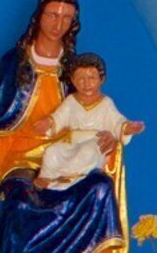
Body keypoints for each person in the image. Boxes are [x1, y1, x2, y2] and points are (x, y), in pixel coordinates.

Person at [0, 0, 137, 253]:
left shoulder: (76, 71)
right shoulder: (14, 64)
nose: (58, 24)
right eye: (52, 15)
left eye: (66, 17)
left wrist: (110, 139)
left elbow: (98, 117)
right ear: (39, 15)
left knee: (100, 189)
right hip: (20, 161)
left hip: (70, 161)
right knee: (20, 203)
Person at [35, 51, 141, 191]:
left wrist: (127, 128)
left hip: (95, 142)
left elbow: (117, 122)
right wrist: (48, 123)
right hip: (72, 142)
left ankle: (71, 179)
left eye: (91, 78)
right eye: (81, 78)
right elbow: (59, 117)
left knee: (87, 152)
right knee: (53, 151)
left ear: (101, 79)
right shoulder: (71, 101)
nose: (86, 83)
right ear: (73, 80)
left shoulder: (106, 103)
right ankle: (48, 178)